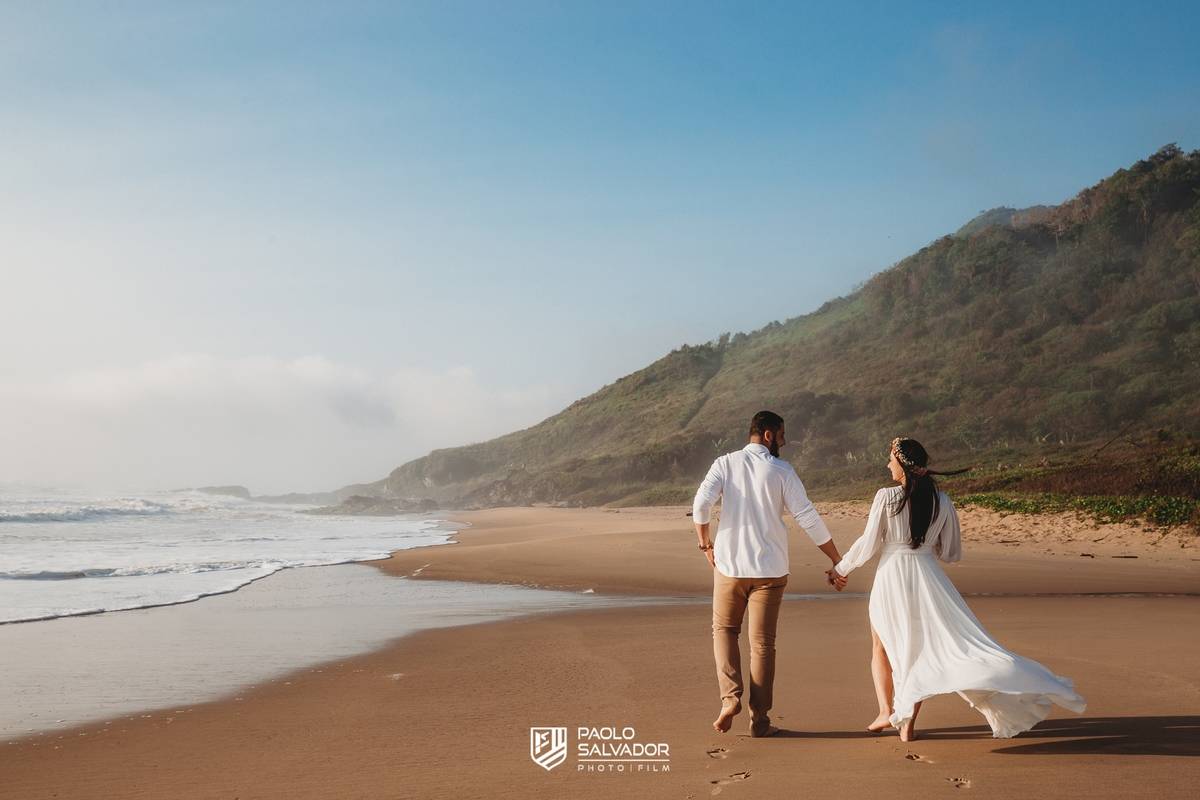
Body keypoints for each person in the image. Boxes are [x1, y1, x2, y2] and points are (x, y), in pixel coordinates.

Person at [831, 437, 1087, 741]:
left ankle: (887, 710)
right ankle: (907, 725)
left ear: (903, 463)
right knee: (920, 651)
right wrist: (926, 546)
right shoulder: (942, 502)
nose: (888, 464)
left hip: (891, 578)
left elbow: (869, 542)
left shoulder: (885, 497)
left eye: (891, 458)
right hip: (928, 579)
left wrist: (840, 569)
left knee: (881, 646)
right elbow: (951, 553)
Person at [693, 410, 844, 737]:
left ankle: (730, 698)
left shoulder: (725, 463)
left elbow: (701, 504)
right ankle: (760, 721)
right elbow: (807, 517)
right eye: (782, 435)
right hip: (770, 571)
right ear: (767, 435)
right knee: (762, 646)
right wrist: (836, 559)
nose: (784, 441)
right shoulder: (782, 470)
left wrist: (706, 545)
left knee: (725, 630)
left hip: (730, 566)